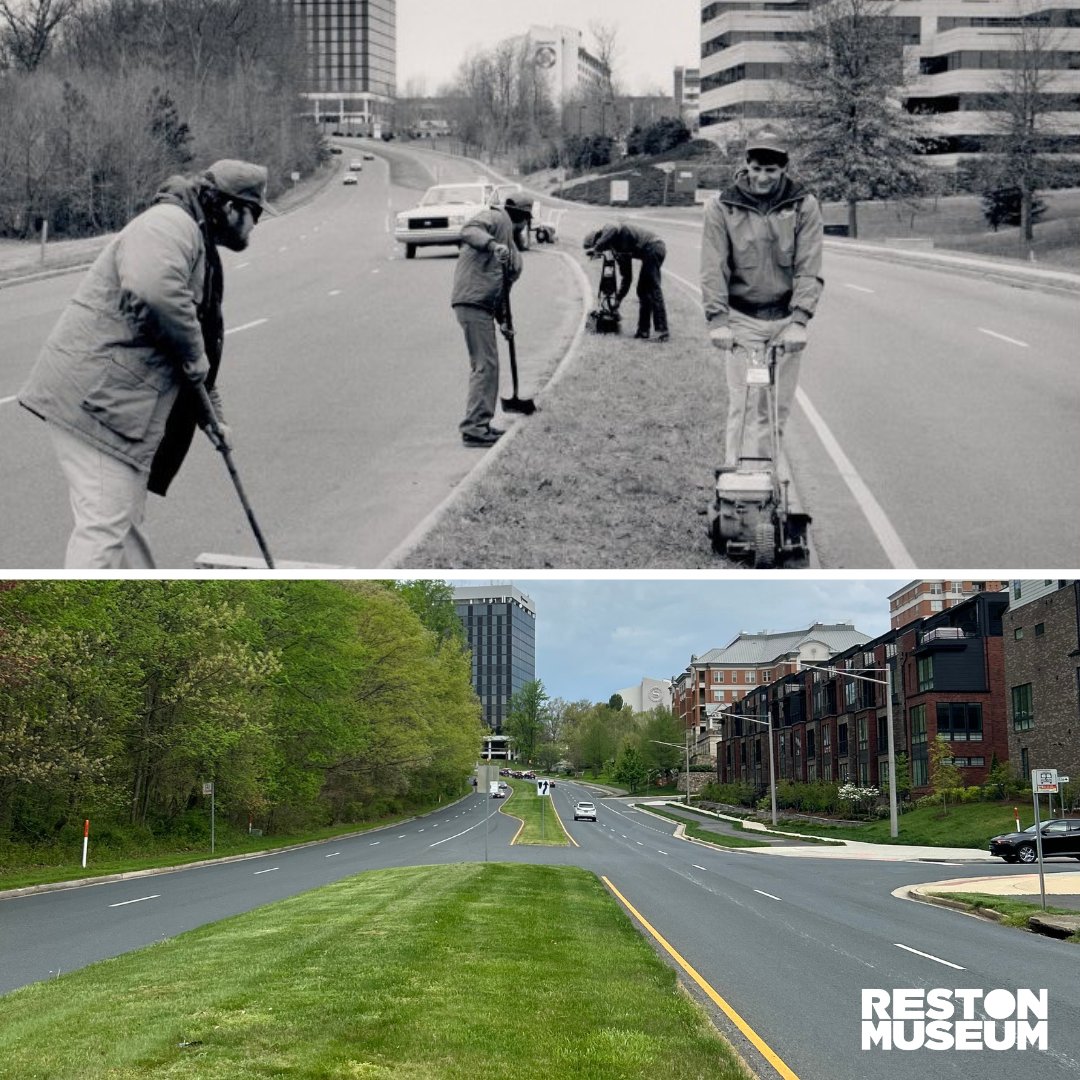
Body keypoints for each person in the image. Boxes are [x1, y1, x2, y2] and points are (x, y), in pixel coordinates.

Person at [19, 159, 276, 567]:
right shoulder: (171, 223)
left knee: (124, 525)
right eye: (255, 213)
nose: (256, 225)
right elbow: (152, 290)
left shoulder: (196, 238)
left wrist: (213, 418)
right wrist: (194, 357)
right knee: (104, 530)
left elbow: (198, 353)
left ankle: (142, 621)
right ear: (230, 208)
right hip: (99, 404)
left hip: (114, 404)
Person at [701, 126, 823, 469]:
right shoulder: (722, 206)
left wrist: (800, 320)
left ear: (784, 167)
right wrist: (718, 321)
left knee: (775, 410)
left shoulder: (803, 204)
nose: (763, 177)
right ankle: (737, 486)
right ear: (746, 165)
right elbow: (713, 267)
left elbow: (809, 264)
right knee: (742, 406)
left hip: (785, 321)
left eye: (771, 170)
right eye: (757, 169)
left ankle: (767, 483)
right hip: (742, 320)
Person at [451, 194, 524, 447]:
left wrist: (504, 320)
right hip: (472, 301)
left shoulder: (512, 250)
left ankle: (479, 425)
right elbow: (468, 230)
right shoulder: (494, 217)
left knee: (488, 364)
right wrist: (493, 245)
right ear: (522, 220)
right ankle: (474, 428)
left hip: (483, 305)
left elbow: (504, 290)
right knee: (485, 365)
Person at [583, 223, 668, 341]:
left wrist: (596, 248)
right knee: (642, 291)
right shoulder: (618, 250)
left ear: (598, 238)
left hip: (654, 246)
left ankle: (662, 331)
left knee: (653, 288)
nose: (599, 254)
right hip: (649, 251)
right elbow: (627, 278)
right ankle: (643, 331)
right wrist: (617, 300)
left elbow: (613, 228)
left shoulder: (608, 229)